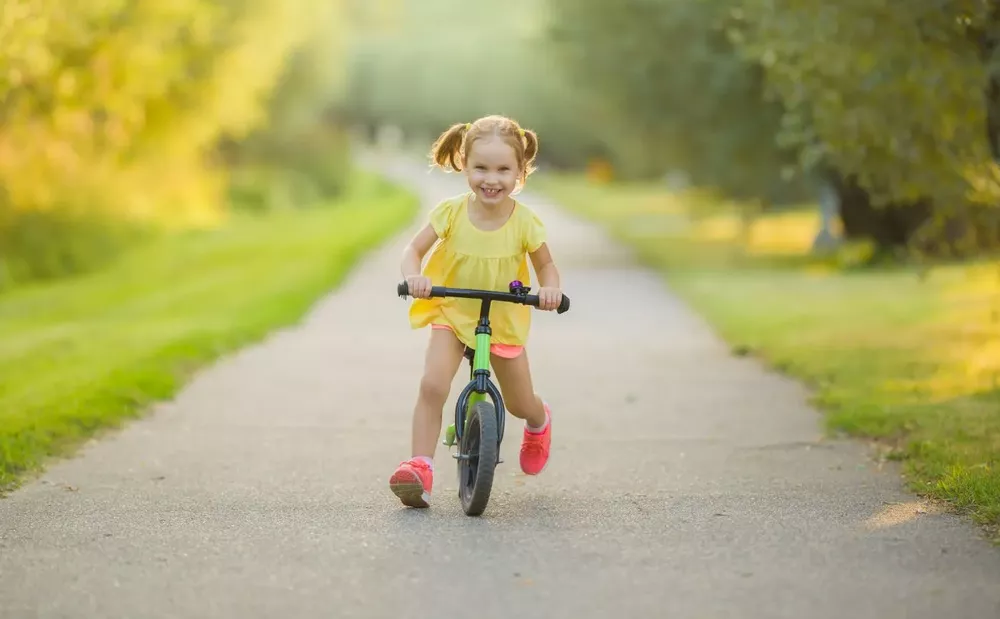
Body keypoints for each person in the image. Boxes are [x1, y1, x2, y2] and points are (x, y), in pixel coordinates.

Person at [390, 114, 564, 508]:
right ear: (464, 165)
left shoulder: (525, 222)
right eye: (481, 168)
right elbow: (413, 249)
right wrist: (414, 276)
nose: (491, 179)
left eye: (503, 170)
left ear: (520, 172)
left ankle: (539, 421)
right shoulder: (451, 212)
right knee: (433, 384)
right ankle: (419, 467)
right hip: (452, 311)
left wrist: (550, 289)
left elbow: (546, 266)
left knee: (519, 402)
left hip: (503, 317)